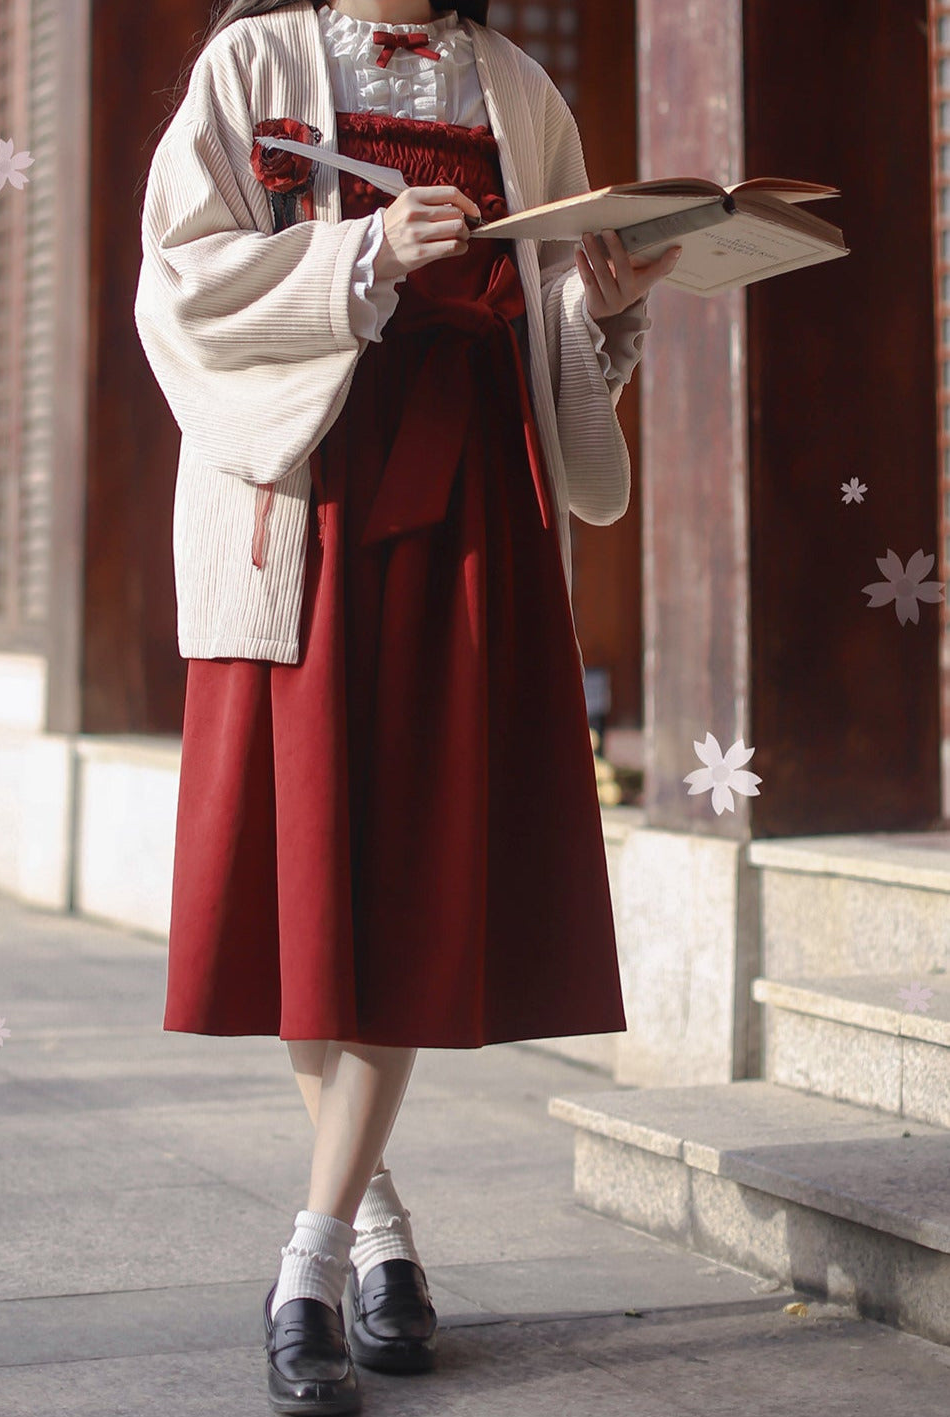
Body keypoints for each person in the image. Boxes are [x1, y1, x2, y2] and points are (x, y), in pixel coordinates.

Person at [134, 1, 680, 1411]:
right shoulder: (250, 64)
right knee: (310, 872)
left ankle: (311, 1260)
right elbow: (178, 285)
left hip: (473, 507)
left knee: (411, 868)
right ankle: (369, 1235)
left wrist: (604, 306)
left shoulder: (519, 87)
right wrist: (363, 253)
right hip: (305, 492)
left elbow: (546, 328)